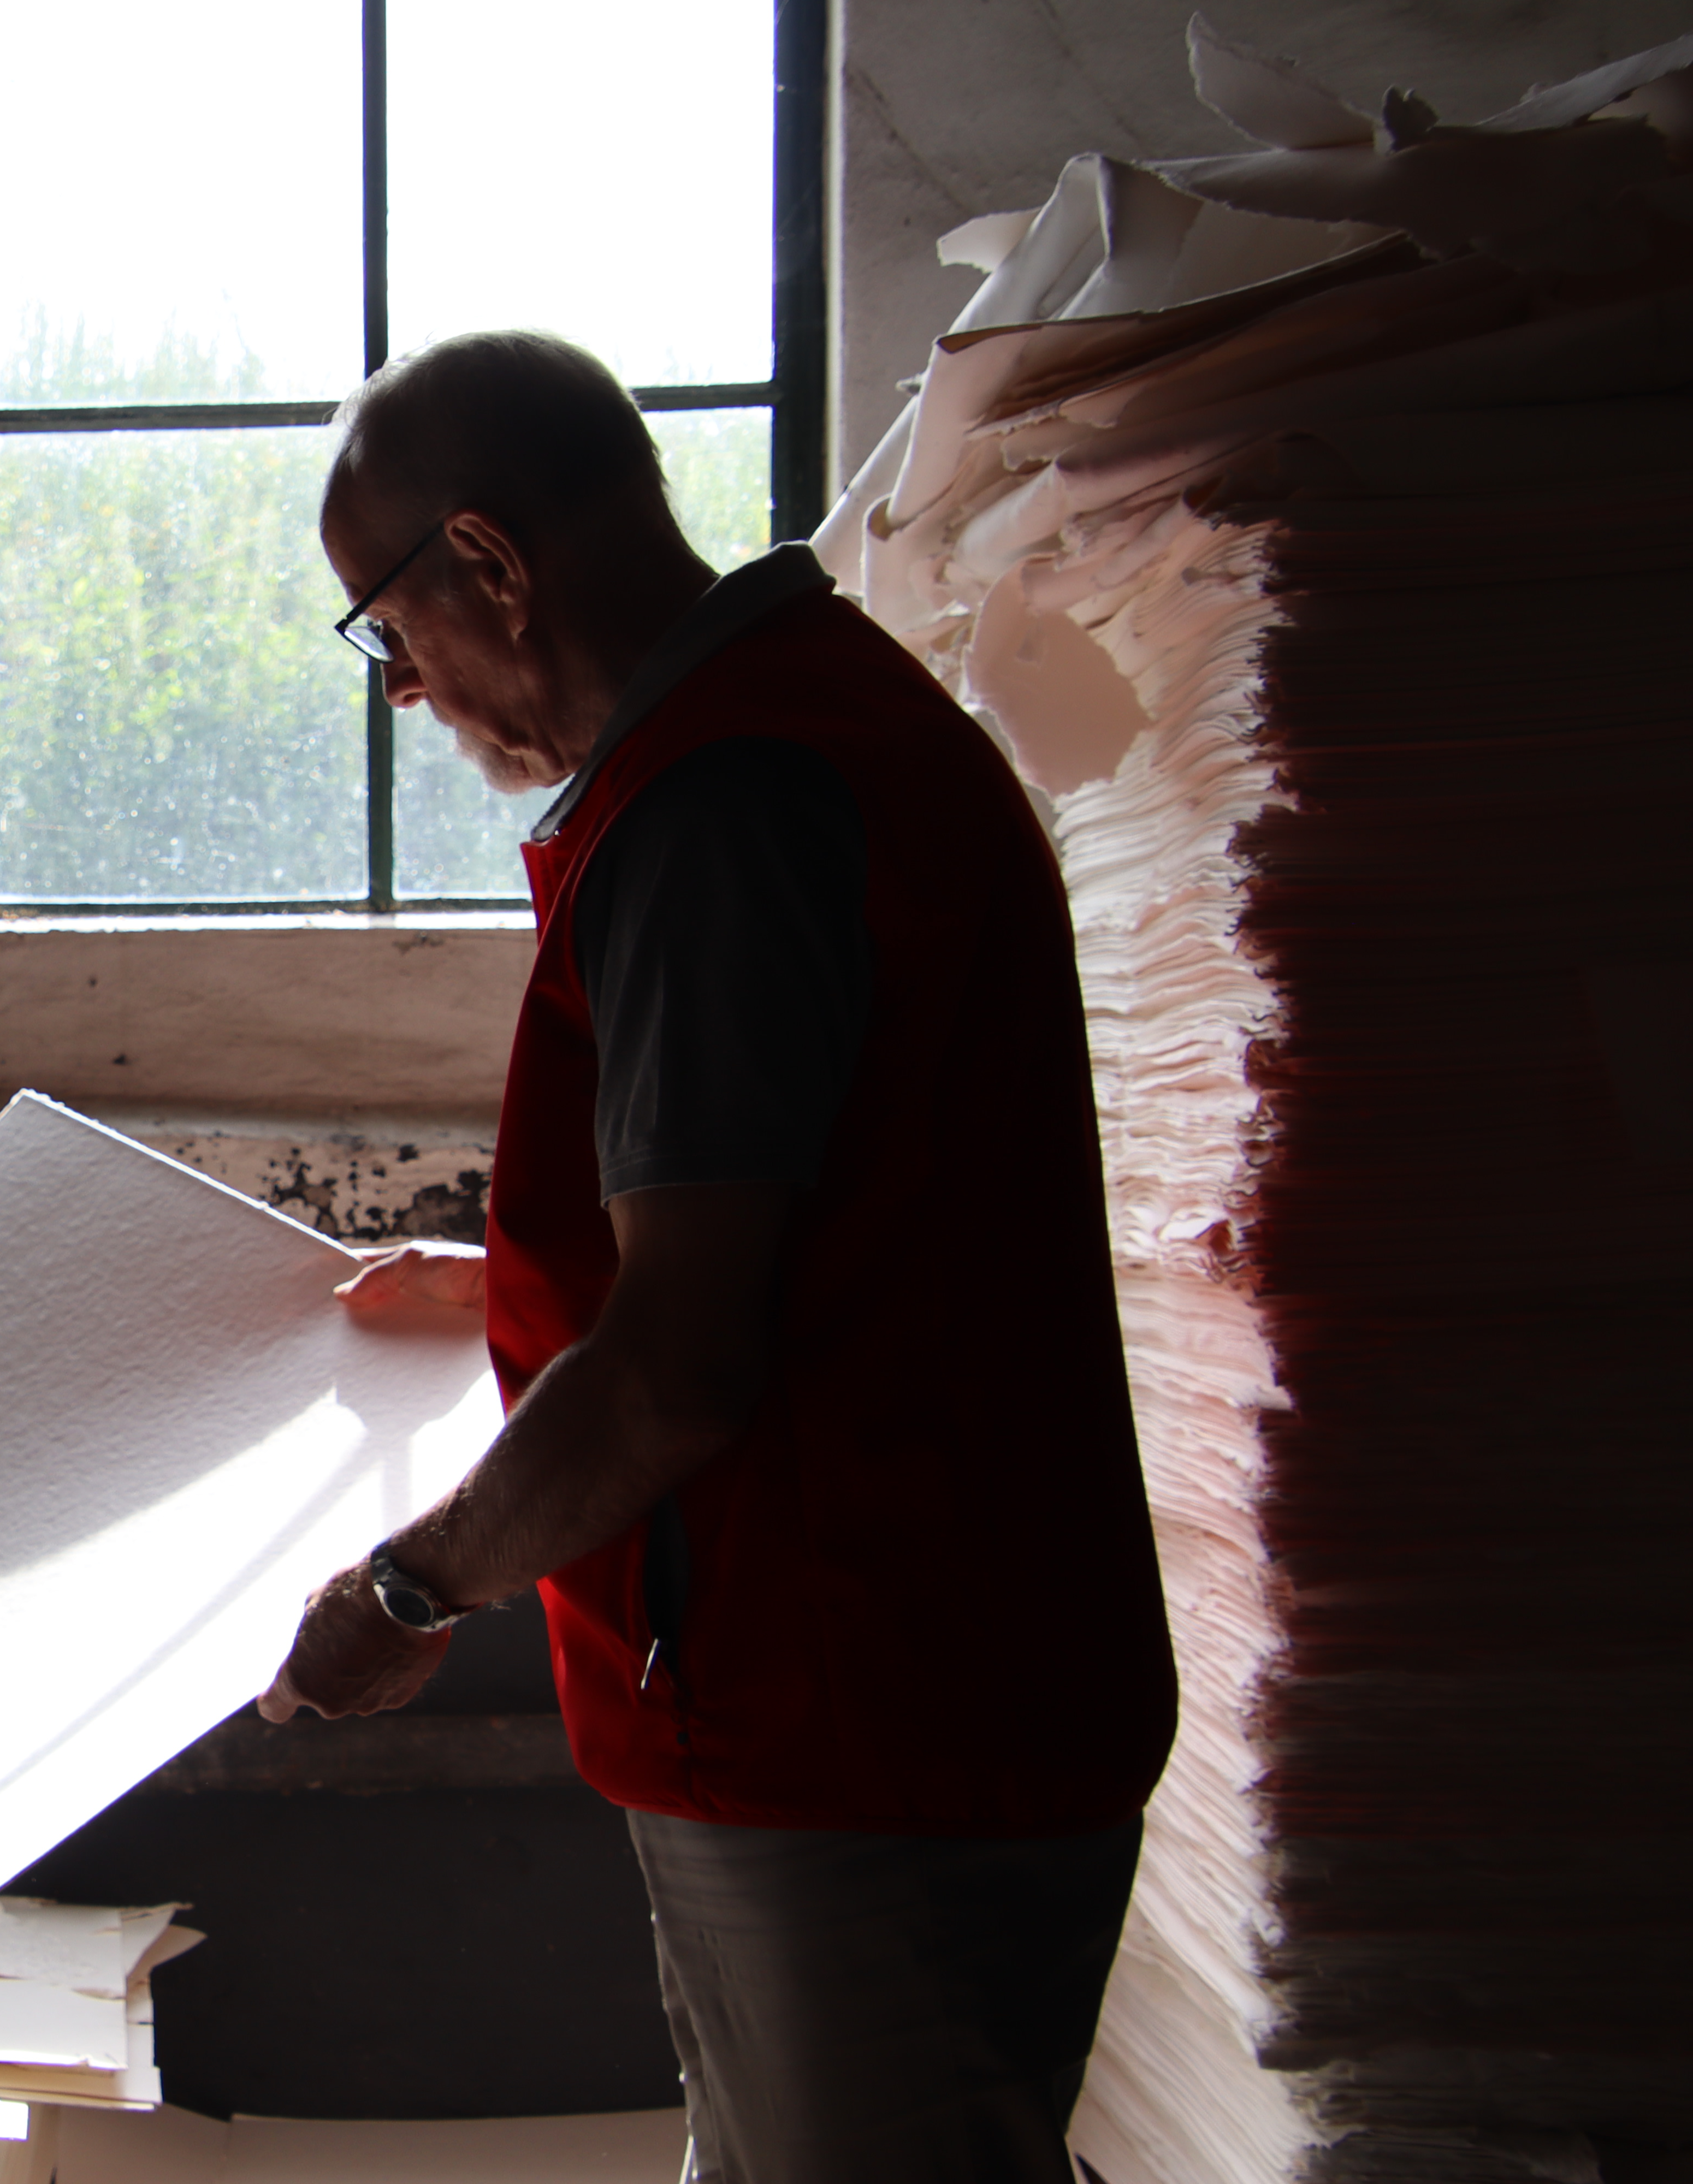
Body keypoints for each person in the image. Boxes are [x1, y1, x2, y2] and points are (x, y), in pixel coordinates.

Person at [265, 330, 1177, 2184]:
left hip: (861, 1711)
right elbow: (834, 1209)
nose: (402, 692)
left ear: (495, 563)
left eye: (387, 628)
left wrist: (409, 1594)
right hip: (884, 1684)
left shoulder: (724, 807)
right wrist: (504, 1285)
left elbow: (685, 1364)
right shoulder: (798, 728)